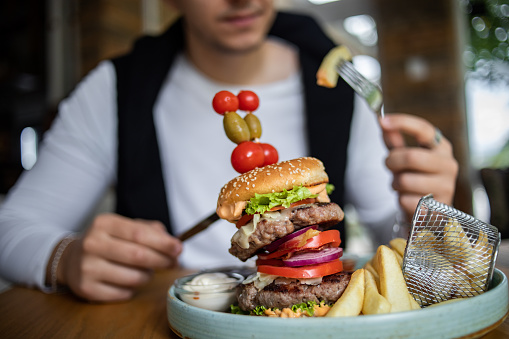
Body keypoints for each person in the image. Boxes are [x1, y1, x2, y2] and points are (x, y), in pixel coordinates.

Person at [0, 0, 458, 302]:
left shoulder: (336, 86)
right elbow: (10, 228)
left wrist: (427, 210)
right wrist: (64, 256)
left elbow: (390, 235)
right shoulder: (116, 89)